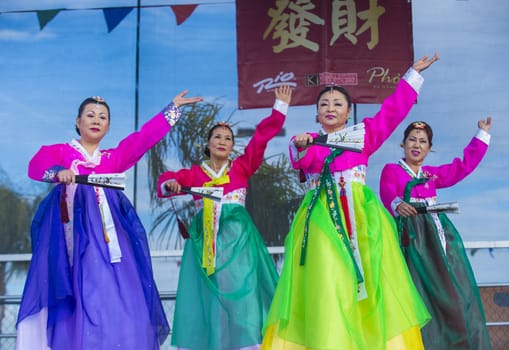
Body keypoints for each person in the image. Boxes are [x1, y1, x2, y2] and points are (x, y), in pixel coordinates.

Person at [261, 53, 439, 350]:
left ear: (349, 111)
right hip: (321, 223)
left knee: (370, 285)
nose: (330, 108)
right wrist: (301, 144)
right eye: (324, 105)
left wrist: (413, 75)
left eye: (337, 104)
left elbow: (392, 112)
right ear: (317, 114)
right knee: (327, 282)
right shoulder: (309, 142)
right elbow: (297, 155)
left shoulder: (363, 136)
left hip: (362, 220)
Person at [16, 91, 203, 350]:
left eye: (103, 117)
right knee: (78, 294)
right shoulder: (62, 152)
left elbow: (143, 139)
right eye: (90, 115)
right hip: (73, 237)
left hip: (109, 241)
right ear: (78, 122)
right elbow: (37, 164)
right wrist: (60, 172)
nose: (96, 120)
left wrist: (172, 110)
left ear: (109, 126)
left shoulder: (112, 159)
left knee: (121, 297)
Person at [157, 85, 292, 350]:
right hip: (207, 246)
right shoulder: (195, 174)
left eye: (228, 138)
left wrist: (280, 108)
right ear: (207, 144)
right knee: (210, 299)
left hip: (239, 245)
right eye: (217, 136)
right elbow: (165, 181)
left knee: (243, 298)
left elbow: (261, 138)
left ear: (232, 146)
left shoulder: (242, 167)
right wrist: (171, 183)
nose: (222, 141)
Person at [379, 118, 493, 349]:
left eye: (423, 141)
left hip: (436, 242)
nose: (417, 145)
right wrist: (397, 203)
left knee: (450, 296)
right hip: (410, 242)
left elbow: (462, 167)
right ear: (403, 144)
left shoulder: (431, 175)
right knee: (416, 296)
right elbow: (386, 190)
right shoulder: (392, 170)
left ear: (430, 148)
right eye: (412, 139)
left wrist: (481, 134)